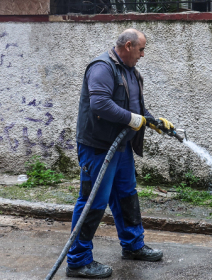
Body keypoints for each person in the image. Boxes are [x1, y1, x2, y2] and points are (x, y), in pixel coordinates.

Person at [66, 29, 174, 279]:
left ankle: (133, 246)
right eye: (141, 49)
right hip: (98, 147)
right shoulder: (102, 67)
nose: (143, 54)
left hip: (120, 145)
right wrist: (134, 119)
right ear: (128, 46)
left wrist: (151, 121)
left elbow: (133, 106)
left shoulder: (129, 70)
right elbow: (100, 105)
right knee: (94, 201)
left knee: (126, 195)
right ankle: (78, 260)